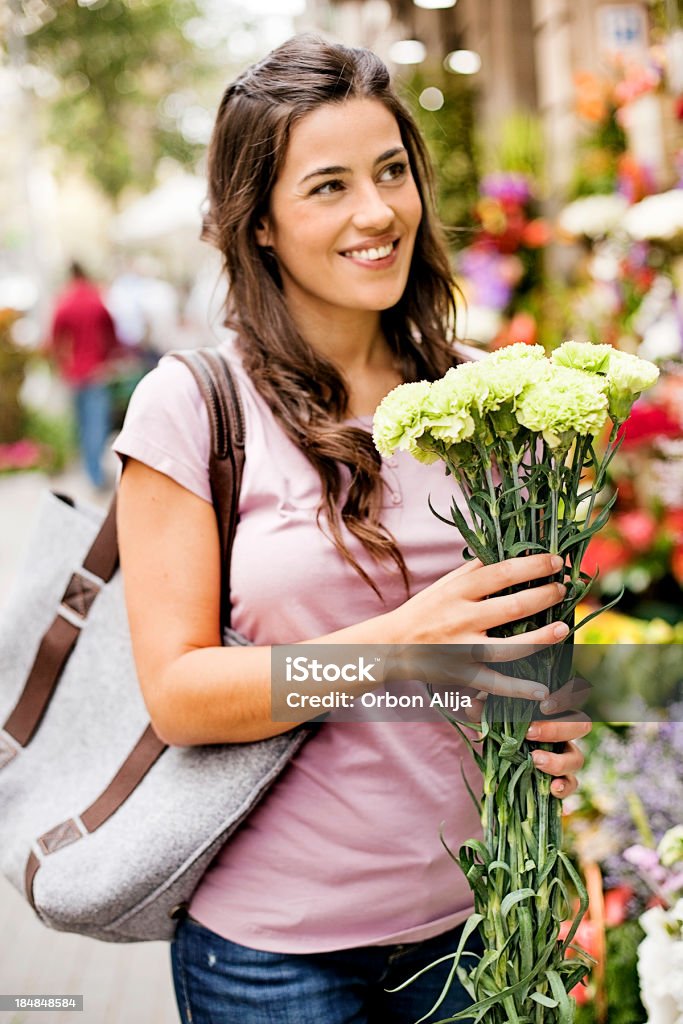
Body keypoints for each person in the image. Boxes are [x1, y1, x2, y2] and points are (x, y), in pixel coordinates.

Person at [113, 36, 590, 1024]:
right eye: (326, 186)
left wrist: (554, 702)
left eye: (390, 172)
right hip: (276, 952)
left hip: (483, 928)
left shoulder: (486, 394)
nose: (376, 212)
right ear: (259, 226)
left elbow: (523, 636)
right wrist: (396, 648)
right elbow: (180, 696)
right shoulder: (195, 406)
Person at [47, 261, 119, 490]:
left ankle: (91, 471)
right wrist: (108, 357)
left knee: (81, 424)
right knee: (96, 423)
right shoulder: (95, 298)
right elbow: (112, 331)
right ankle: (95, 473)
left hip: (73, 373)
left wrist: (61, 365)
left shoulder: (64, 301)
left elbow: (54, 339)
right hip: (96, 371)